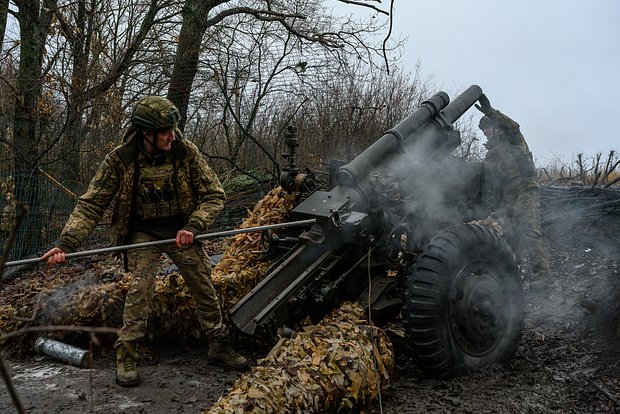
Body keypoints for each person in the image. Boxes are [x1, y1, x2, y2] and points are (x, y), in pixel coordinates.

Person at [41, 96, 248, 387]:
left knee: (203, 282)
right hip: (142, 234)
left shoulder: (185, 152)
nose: (172, 136)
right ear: (146, 134)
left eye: (173, 130)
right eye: (166, 131)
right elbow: (91, 205)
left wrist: (194, 224)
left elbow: (215, 194)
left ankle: (220, 344)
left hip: (180, 230)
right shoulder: (120, 160)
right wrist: (67, 244)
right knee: (141, 287)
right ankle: (126, 354)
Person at [475, 95, 550, 287]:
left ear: (496, 126)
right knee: (508, 238)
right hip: (507, 198)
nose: (485, 132)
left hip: (525, 189)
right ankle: (509, 279)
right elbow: (492, 185)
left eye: (488, 127)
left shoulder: (513, 139)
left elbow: (513, 126)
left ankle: (543, 277)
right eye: (483, 130)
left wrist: (492, 112)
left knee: (529, 230)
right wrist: (495, 209)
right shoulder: (491, 155)